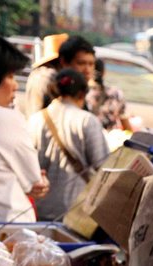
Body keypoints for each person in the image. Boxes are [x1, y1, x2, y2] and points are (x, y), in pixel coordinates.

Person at [29, 68, 109, 222]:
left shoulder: (35, 120)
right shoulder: (87, 120)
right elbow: (102, 165)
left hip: (39, 209)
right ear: (82, 94)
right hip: (75, 209)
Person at [0, 36, 49, 223]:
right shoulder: (5, 118)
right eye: (10, 76)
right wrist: (37, 181)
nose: (15, 85)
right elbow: (35, 181)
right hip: (9, 225)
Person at [25, 34, 95, 117]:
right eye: (81, 63)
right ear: (63, 62)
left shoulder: (43, 75)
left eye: (91, 64)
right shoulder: (51, 80)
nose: (88, 70)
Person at [86, 57, 131, 131]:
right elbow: (126, 126)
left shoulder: (81, 93)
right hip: (109, 140)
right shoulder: (116, 93)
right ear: (104, 72)